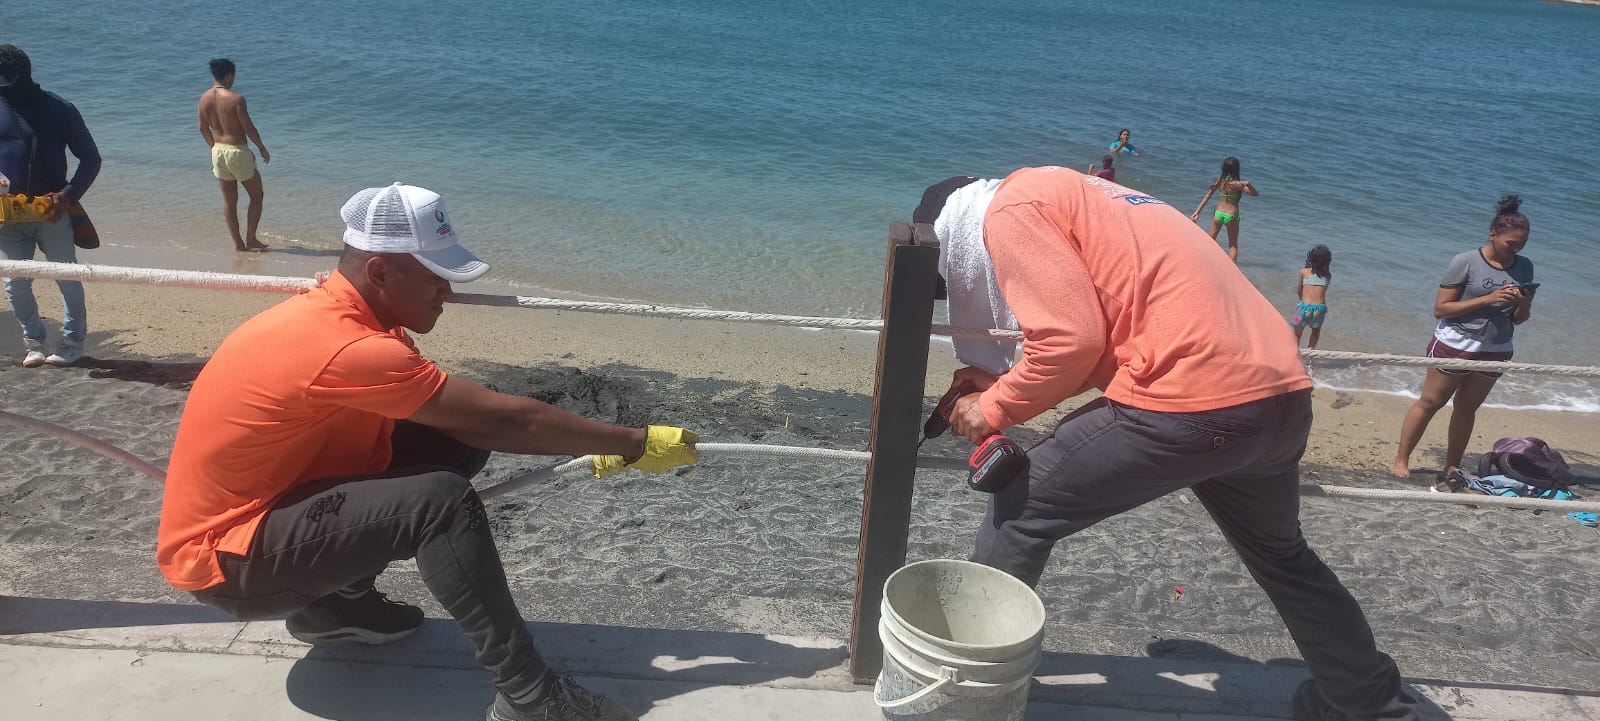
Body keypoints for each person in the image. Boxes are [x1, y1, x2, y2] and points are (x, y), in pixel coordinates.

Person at [156, 183, 697, 721]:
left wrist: (594, 441)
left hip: (271, 518)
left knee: (454, 437)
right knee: (439, 499)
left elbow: (479, 424)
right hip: (226, 560)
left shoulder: (333, 312)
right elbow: (506, 419)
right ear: (379, 272)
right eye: (436, 276)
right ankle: (533, 698)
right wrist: (632, 442)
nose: (448, 291)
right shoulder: (348, 346)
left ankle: (337, 605)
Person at [917, 166, 1420, 721]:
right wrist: (1007, 386)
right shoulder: (1083, 194)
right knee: (1284, 558)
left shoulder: (1007, 212)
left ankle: (966, 697)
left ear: (957, 237)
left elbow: (1070, 340)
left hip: (1192, 402)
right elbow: (1121, 333)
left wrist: (991, 408)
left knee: (1020, 506)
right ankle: (1370, 703)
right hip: (1279, 397)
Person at [1391, 195, 1535, 485]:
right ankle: (1401, 459)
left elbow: (1519, 319)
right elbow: (1440, 309)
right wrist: (1489, 298)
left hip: (1497, 347)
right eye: (1512, 242)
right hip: (1456, 341)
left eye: (1522, 243)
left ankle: (1453, 465)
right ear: (1493, 233)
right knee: (1431, 401)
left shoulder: (1524, 266)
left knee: (1467, 408)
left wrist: (1524, 302)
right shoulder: (1466, 261)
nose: (1517, 248)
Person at [0, 44, 101, 367]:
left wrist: (68, 195)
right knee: (15, 283)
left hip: (52, 210)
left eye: (5, 78)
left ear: (21, 75)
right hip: (7, 214)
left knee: (66, 276)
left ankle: (72, 342)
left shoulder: (59, 109)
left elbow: (91, 158)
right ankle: (35, 342)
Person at [198, 58, 270, 252]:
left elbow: (203, 128)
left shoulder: (204, 98)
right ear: (229, 75)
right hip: (237, 151)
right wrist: (262, 147)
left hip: (217, 151)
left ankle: (238, 243)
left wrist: (214, 147)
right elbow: (248, 128)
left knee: (230, 200)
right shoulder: (236, 99)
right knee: (257, 195)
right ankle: (251, 238)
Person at [1190, 157, 1257, 262]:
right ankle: (1231, 271)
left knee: (1210, 241)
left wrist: (1197, 212)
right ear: (1237, 169)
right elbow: (1255, 194)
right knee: (1233, 245)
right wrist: (1248, 183)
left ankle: (1204, 262)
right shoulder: (1236, 184)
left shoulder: (1220, 181)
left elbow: (1208, 195)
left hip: (1218, 214)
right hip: (1231, 216)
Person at [1291, 245, 1333, 349]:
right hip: (1319, 308)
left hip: (1303, 307)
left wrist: (1302, 301)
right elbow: (1322, 293)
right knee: (1315, 331)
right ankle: (1310, 351)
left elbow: (1299, 290)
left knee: (1296, 333)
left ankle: (1295, 352)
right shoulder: (1328, 275)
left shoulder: (1304, 272)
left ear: (1311, 258)